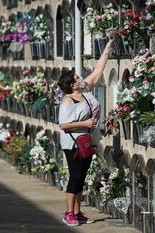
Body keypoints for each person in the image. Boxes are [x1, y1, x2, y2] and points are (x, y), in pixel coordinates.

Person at [58, 39, 114, 226]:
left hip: (87, 140)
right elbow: (63, 126)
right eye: (77, 79)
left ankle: (78, 212)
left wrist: (107, 48)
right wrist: (86, 122)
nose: (81, 79)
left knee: (82, 176)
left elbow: (98, 71)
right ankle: (68, 213)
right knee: (75, 176)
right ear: (73, 85)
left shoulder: (86, 91)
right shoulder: (68, 101)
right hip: (73, 143)